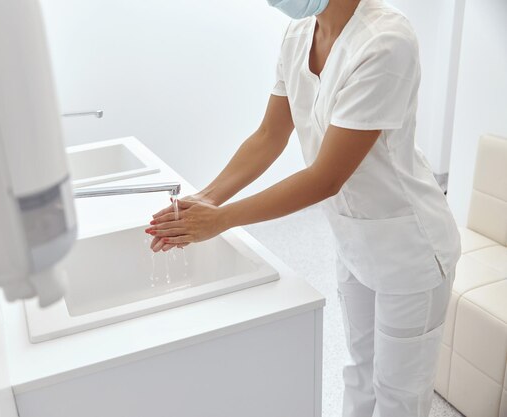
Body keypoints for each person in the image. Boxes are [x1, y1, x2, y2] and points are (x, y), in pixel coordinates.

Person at [145, 0, 461, 416]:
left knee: (398, 395)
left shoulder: (385, 41)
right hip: (354, 238)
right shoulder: (298, 37)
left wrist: (221, 220)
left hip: (410, 247)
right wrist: (207, 198)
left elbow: (326, 178)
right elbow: (269, 135)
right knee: (360, 373)